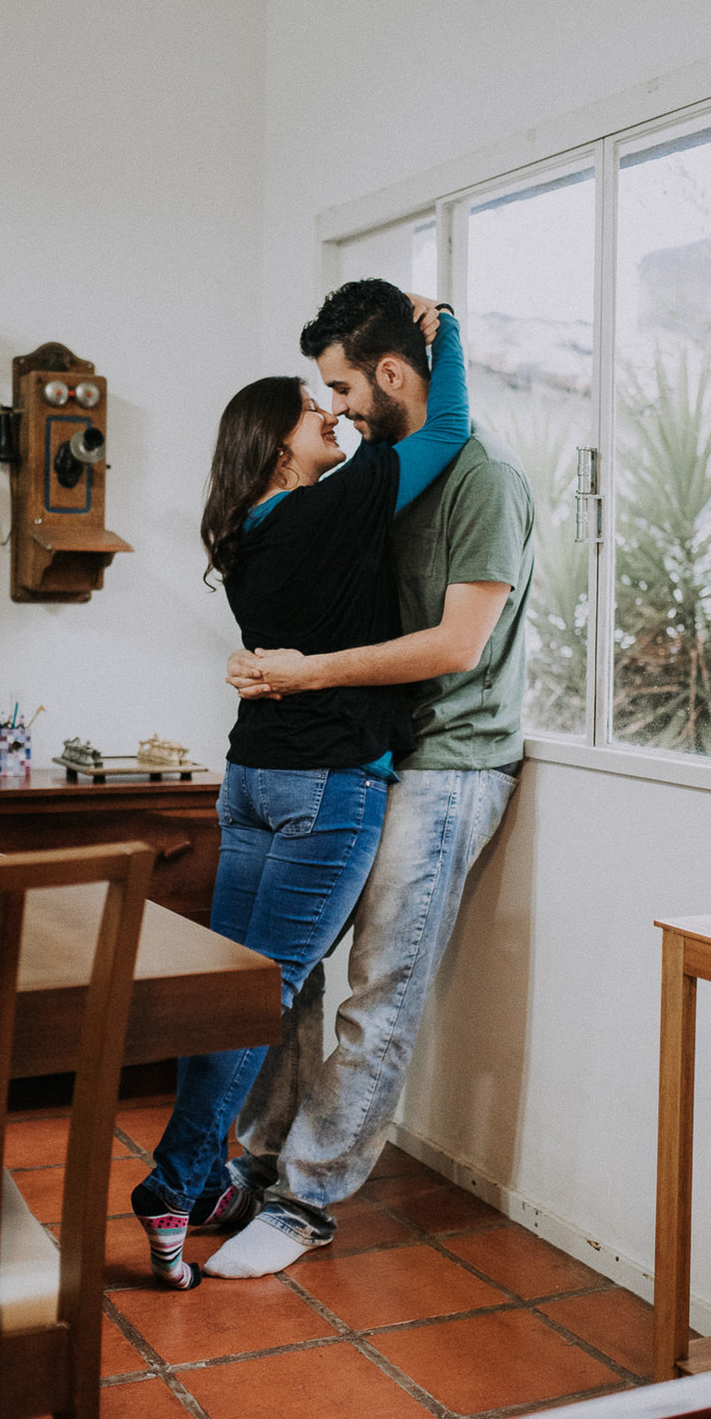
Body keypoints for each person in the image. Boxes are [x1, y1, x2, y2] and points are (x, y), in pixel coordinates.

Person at [131, 280, 470, 1288]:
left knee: (224, 993)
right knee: (263, 992)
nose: (333, 412)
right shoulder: (334, 509)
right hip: (327, 788)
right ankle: (174, 1180)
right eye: (313, 408)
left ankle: (189, 1179)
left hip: (250, 780)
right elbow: (445, 427)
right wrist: (440, 333)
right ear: (282, 446)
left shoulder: (248, 535)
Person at [204, 285, 535, 1280]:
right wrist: (273, 664)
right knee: (284, 973)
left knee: (378, 995)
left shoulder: (483, 481)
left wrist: (304, 669)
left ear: (392, 375)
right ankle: (261, 1163)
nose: (336, 408)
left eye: (343, 387)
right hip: (361, 760)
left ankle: (306, 1202)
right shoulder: (381, 478)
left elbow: (458, 643)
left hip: (451, 766)